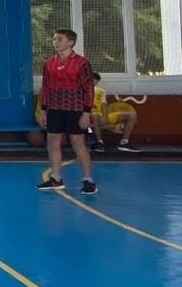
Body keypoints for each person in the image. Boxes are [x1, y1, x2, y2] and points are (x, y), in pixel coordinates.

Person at [37, 28, 97, 194]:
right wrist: (43, 109)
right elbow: (45, 87)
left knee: (78, 143)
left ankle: (88, 180)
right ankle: (56, 178)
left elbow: (88, 88)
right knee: (53, 142)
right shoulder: (49, 63)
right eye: (54, 39)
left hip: (75, 108)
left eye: (60, 39)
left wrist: (86, 113)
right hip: (54, 108)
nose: (56, 42)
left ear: (71, 42)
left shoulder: (82, 63)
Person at [87, 72, 142, 154]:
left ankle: (124, 142)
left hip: (101, 115)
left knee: (131, 115)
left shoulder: (101, 91)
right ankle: (99, 142)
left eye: (96, 81)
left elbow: (103, 105)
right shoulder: (81, 91)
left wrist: (104, 116)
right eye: (92, 80)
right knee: (95, 116)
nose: (94, 83)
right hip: (88, 116)